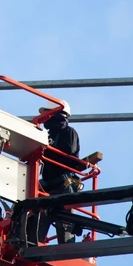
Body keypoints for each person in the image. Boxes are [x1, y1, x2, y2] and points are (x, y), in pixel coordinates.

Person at [35, 101, 81, 244]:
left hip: (63, 184)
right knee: (34, 217)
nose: (45, 119)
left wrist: (46, 149)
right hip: (48, 185)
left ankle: (67, 255)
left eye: (47, 114)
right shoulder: (48, 136)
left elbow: (67, 153)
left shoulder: (68, 132)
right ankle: (32, 247)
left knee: (65, 226)